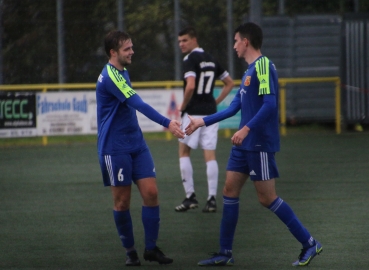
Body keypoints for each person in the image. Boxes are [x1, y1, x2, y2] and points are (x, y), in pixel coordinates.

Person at [185, 22, 323, 267]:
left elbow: (270, 105)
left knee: (267, 198)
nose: (234, 45)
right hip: (243, 146)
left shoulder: (263, 66)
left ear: (246, 41)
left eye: (236, 40)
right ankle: (225, 252)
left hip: (258, 143)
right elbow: (233, 108)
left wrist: (246, 128)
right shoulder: (249, 71)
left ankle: (310, 243)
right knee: (229, 191)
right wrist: (201, 121)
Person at [96, 30, 184, 266]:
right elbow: (137, 103)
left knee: (152, 193)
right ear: (113, 53)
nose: (132, 51)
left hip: (136, 143)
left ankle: (151, 249)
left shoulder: (123, 71)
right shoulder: (110, 76)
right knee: (122, 202)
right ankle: (130, 251)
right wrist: (167, 122)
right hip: (115, 148)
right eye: (127, 49)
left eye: (132, 47)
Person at [175, 27, 234, 213]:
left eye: (184, 40)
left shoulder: (190, 59)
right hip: (210, 113)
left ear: (194, 40)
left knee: (184, 152)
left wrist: (183, 106)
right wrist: (215, 102)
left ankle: (190, 196)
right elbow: (230, 83)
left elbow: (190, 86)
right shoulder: (211, 58)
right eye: (179, 41)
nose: (181, 44)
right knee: (210, 155)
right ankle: (212, 199)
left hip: (193, 112)